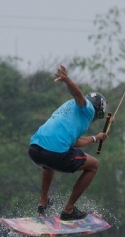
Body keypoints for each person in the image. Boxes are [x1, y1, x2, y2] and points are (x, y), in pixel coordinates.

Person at [28, 64, 113, 221]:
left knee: (49, 162)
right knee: (94, 165)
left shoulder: (68, 109)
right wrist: (67, 80)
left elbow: (75, 142)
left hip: (34, 149)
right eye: (98, 117)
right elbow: (78, 94)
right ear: (97, 111)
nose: (95, 120)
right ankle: (68, 210)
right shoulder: (88, 108)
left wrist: (95, 138)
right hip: (53, 154)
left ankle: (43, 200)